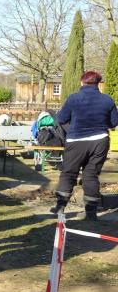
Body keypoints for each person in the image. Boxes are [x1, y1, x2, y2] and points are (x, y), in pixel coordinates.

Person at [50, 71, 118, 221]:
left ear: (82, 82)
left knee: (69, 173)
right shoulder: (107, 100)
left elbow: (61, 119)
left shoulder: (73, 98)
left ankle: (60, 208)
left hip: (76, 141)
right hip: (100, 141)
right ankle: (91, 213)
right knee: (91, 175)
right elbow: (114, 122)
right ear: (98, 84)